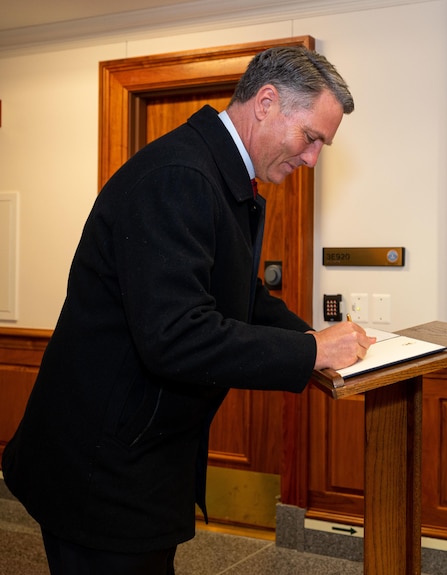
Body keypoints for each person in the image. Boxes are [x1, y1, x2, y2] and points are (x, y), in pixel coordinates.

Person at [1, 46, 373, 575]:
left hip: (136, 463)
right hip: (101, 473)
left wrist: (316, 339)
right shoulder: (178, 176)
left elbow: (244, 300)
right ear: (266, 102)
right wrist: (311, 349)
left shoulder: (214, 175)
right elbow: (176, 335)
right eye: (311, 138)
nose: (312, 159)